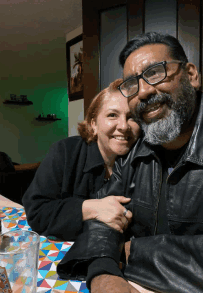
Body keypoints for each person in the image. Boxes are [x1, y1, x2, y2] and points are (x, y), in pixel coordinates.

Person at [57, 32, 203, 293]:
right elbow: (104, 218)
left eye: (156, 72)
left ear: (191, 75)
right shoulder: (136, 151)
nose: (144, 91)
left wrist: (131, 250)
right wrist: (103, 275)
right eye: (132, 84)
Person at [22, 78, 140, 241]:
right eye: (112, 115)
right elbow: (37, 213)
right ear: (94, 124)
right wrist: (93, 208)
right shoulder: (64, 152)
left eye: (132, 117)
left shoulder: (144, 161)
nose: (124, 126)